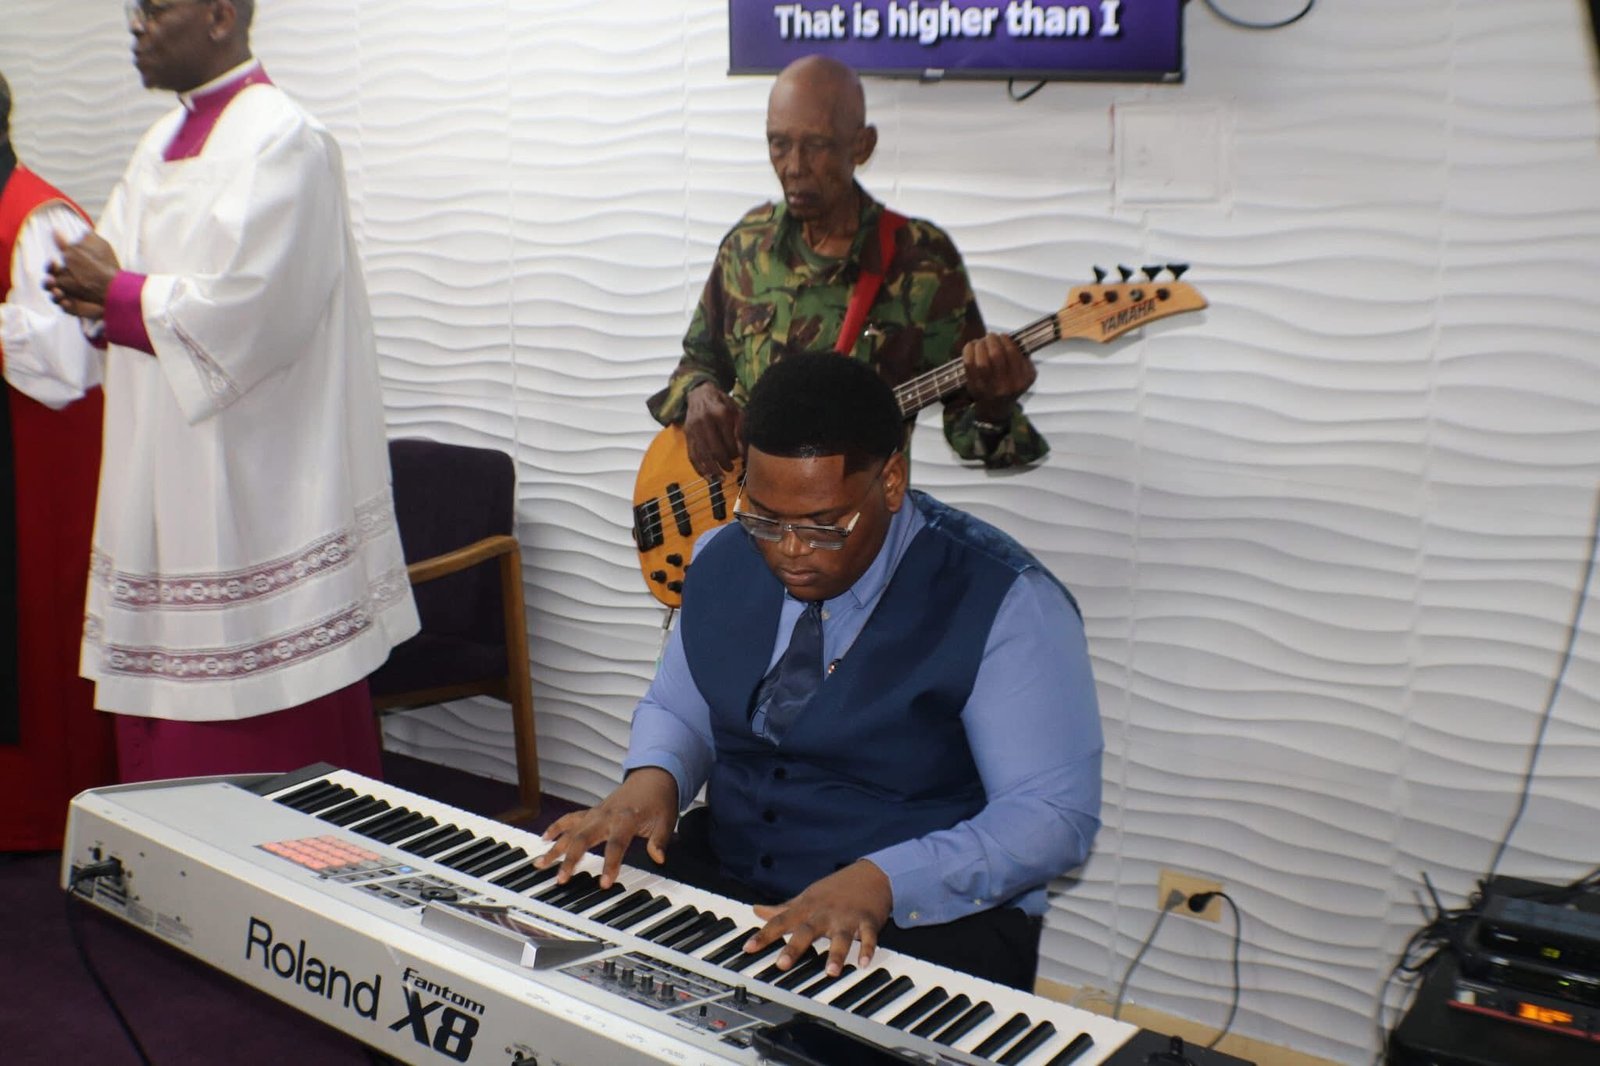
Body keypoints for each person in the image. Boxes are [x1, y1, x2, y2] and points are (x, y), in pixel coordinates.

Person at [542, 352, 1102, 991]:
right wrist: (655, 777)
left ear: (891, 481)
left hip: (918, 922)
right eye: (764, 517)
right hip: (730, 880)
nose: (789, 550)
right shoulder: (722, 556)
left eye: (823, 526)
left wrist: (887, 880)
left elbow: (1053, 816)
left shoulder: (1007, 600)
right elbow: (681, 707)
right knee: (575, 977)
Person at [0, 0, 418, 782]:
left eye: (154, 9)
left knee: (267, 774)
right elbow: (94, 277)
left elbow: (260, 311)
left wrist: (121, 294)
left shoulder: (285, 139)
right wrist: (95, 297)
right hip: (159, 478)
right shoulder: (158, 143)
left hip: (258, 493)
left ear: (221, 15)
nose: (136, 26)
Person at [648, 54, 1049, 483]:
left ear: (862, 145)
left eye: (816, 145)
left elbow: (973, 432)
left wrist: (993, 408)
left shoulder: (923, 262)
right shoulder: (746, 246)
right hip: (741, 509)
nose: (794, 167)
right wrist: (699, 392)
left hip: (861, 519)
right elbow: (697, 362)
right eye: (779, 143)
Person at [0, 70, 115, 849]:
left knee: (36, 645)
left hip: (38, 474)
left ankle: (41, 813)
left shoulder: (40, 216)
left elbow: (66, 365)